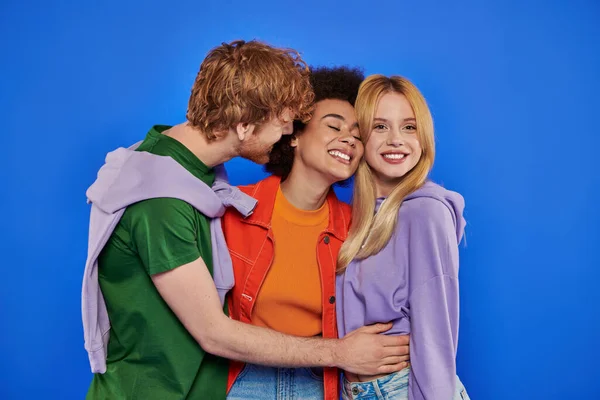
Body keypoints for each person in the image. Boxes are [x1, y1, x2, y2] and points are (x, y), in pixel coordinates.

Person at [81, 41, 408, 400]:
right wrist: (341, 353)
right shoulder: (161, 199)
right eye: (283, 120)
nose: (286, 131)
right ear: (243, 122)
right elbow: (214, 332)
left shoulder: (191, 179)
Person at [222, 67, 411, 400]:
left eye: (358, 134)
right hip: (243, 380)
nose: (349, 139)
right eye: (334, 126)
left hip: (320, 383)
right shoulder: (234, 209)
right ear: (294, 134)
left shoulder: (359, 231)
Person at [336, 74, 470, 400]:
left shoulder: (425, 212)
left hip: (405, 389)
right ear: (360, 136)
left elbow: (436, 336)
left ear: (423, 137)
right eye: (380, 126)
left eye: (409, 127)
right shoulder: (361, 220)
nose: (396, 139)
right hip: (360, 391)